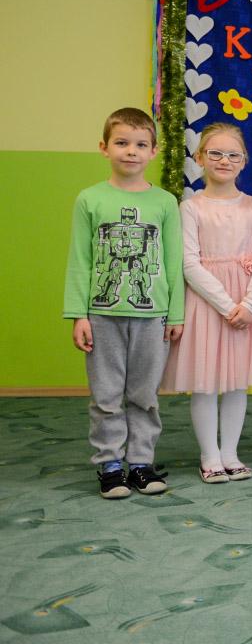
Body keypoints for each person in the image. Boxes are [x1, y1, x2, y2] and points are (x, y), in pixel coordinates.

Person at [64, 107, 183, 498]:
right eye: (122, 142)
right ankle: (111, 464)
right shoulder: (89, 199)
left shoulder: (165, 202)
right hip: (103, 315)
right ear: (104, 147)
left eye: (141, 144)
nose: (131, 151)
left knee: (144, 395)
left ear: (153, 151)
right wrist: (78, 314)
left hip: (153, 316)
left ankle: (141, 463)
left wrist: (175, 313)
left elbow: (173, 261)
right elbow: (80, 259)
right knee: (106, 394)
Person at [162, 123, 252, 483]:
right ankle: (209, 456)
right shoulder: (190, 207)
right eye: (215, 153)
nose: (224, 160)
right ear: (199, 158)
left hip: (246, 303)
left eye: (233, 155)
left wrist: (250, 304)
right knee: (206, 382)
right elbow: (189, 263)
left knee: (237, 383)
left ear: (244, 161)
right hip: (208, 304)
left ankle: (230, 453)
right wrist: (227, 306)